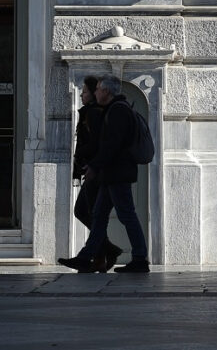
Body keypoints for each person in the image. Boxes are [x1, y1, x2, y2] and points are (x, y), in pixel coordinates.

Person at [59, 75, 149, 273]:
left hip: (117, 173)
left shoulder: (118, 111)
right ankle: (85, 257)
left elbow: (111, 146)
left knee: (127, 215)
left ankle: (140, 258)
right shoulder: (115, 109)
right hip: (111, 174)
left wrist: (94, 166)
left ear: (107, 91)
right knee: (99, 216)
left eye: (98, 89)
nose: (96, 92)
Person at [72, 75, 123, 273]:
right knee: (90, 213)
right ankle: (104, 254)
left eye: (84, 91)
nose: (82, 95)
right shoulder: (89, 112)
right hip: (91, 169)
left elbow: (95, 143)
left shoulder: (92, 113)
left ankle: (105, 253)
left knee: (87, 212)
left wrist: (83, 156)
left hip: (94, 170)